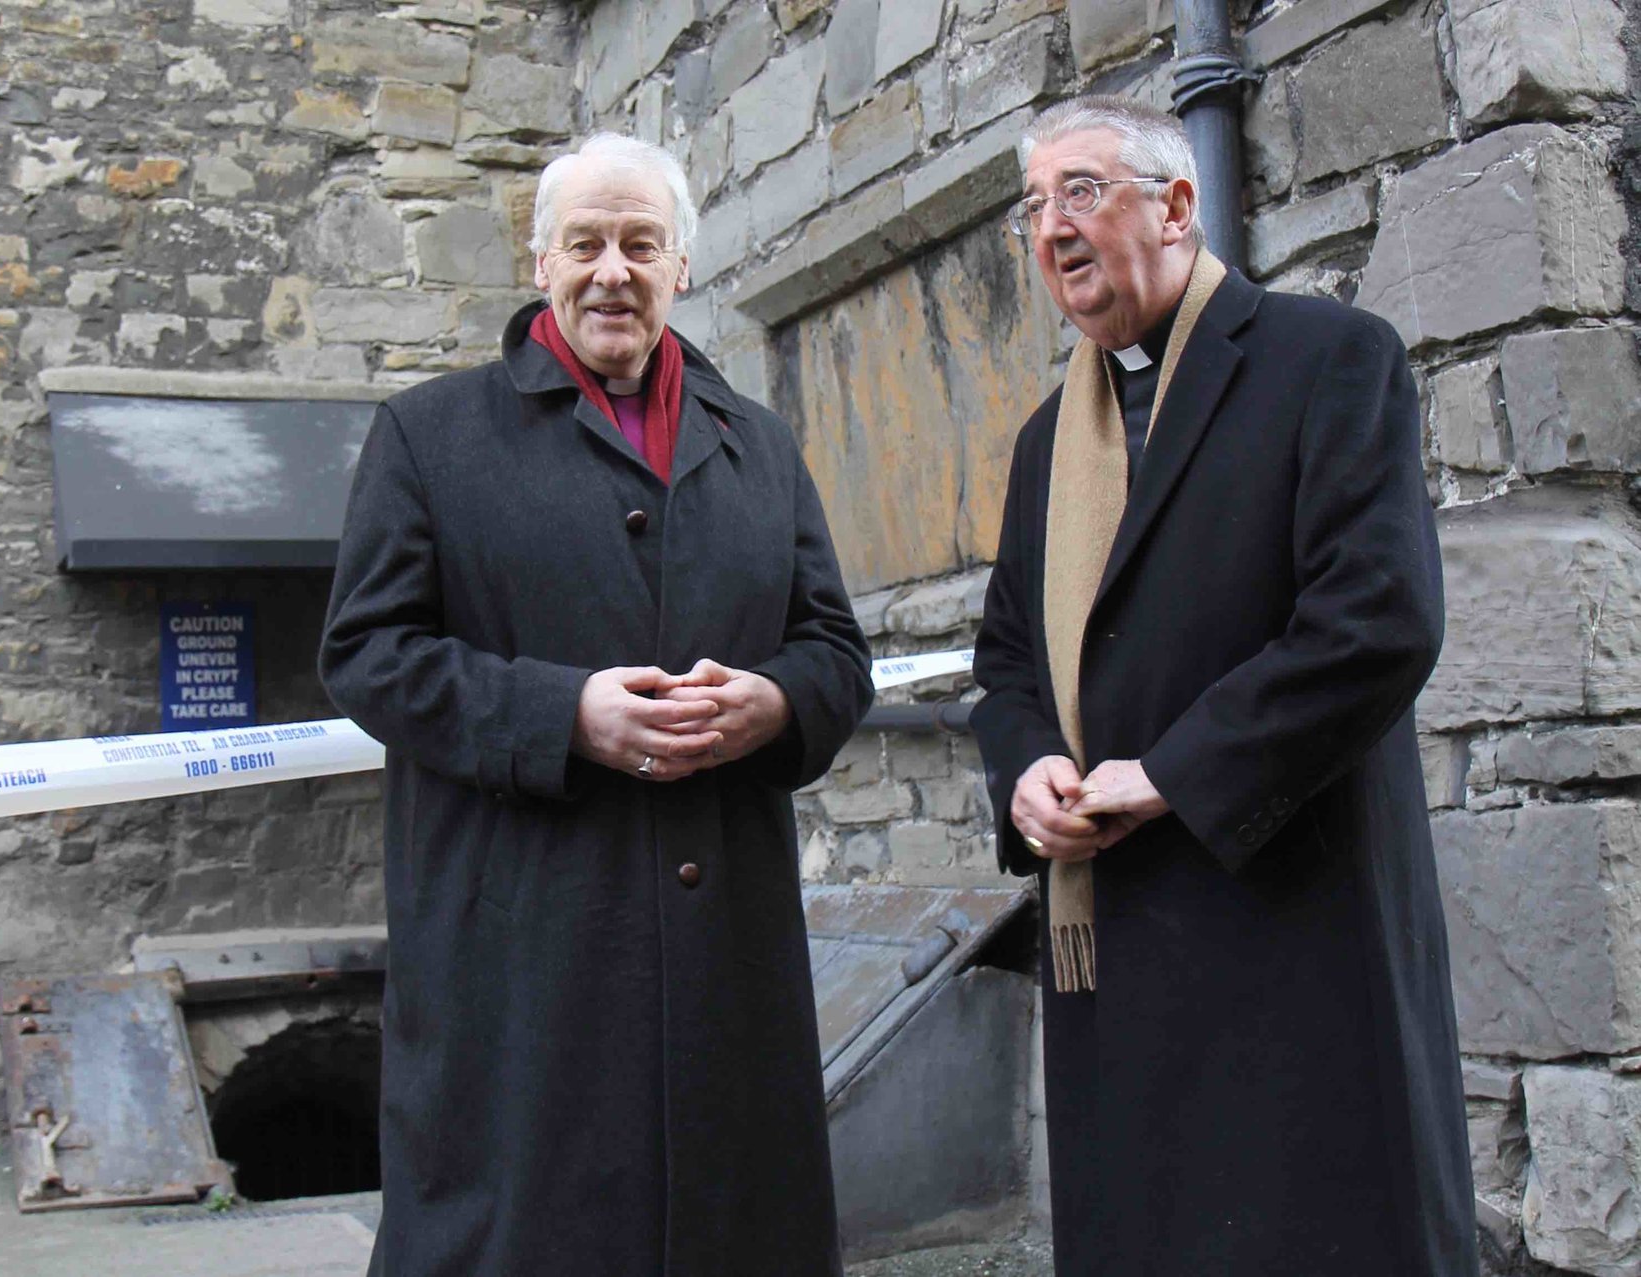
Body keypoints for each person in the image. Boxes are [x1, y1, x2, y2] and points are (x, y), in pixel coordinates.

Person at [319, 132, 872, 1277]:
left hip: (726, 955)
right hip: (522, 956)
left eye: (640, 244)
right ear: (541, 262)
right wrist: (565, 715)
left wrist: (774, 701)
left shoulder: (757, 445)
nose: (611, 270)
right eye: (585, 243)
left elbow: (834, 648)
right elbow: (367, 652)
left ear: (680, 268)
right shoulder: (430, 435)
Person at [970, 96, 1477, 1275]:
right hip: (1120, 953)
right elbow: (1004, 658)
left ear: (1180, 205)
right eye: (1033, 208)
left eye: (1082, 191)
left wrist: (1176, 772)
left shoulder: (1326, 359)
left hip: (1293, 926)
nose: (1052, 228)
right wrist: (1026, 769)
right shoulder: (1050, 439)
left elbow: (1378, 620)